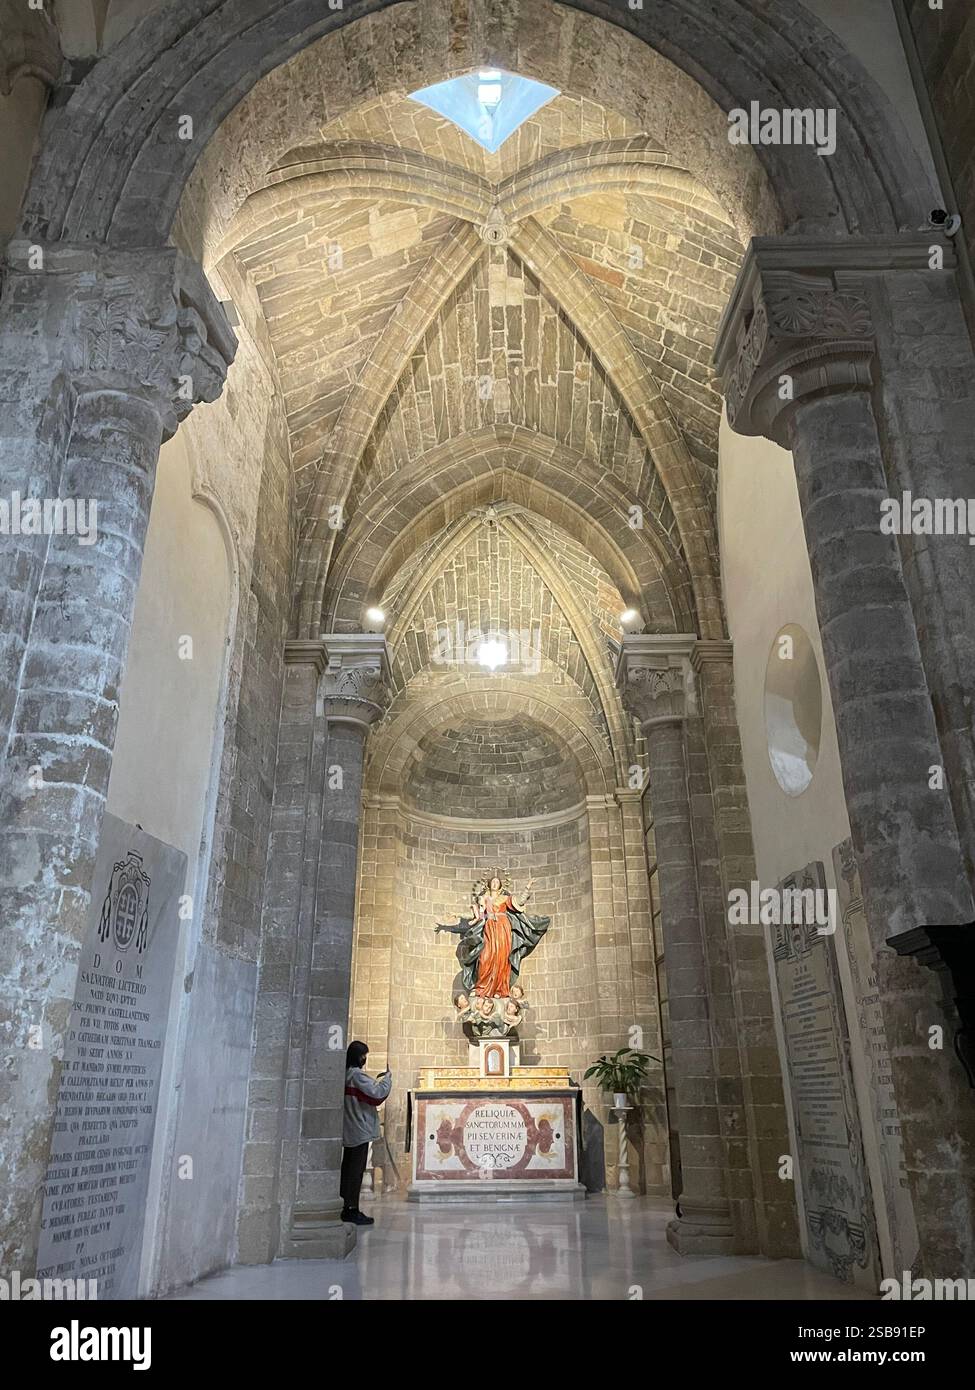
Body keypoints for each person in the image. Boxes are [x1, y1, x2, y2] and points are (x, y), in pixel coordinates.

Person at [342, 1040, 392, 1226]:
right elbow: (377, 1094)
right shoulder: (356, 1076)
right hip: (359, 1129)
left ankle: (346, 1205)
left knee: (349, 1169)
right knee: (355, 1171)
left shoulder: (346, 1075)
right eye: (364, 1056)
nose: (365, 1059)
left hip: (351, 1128)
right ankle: (351, 1209)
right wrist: (387, 1079)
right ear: (359, 1057)